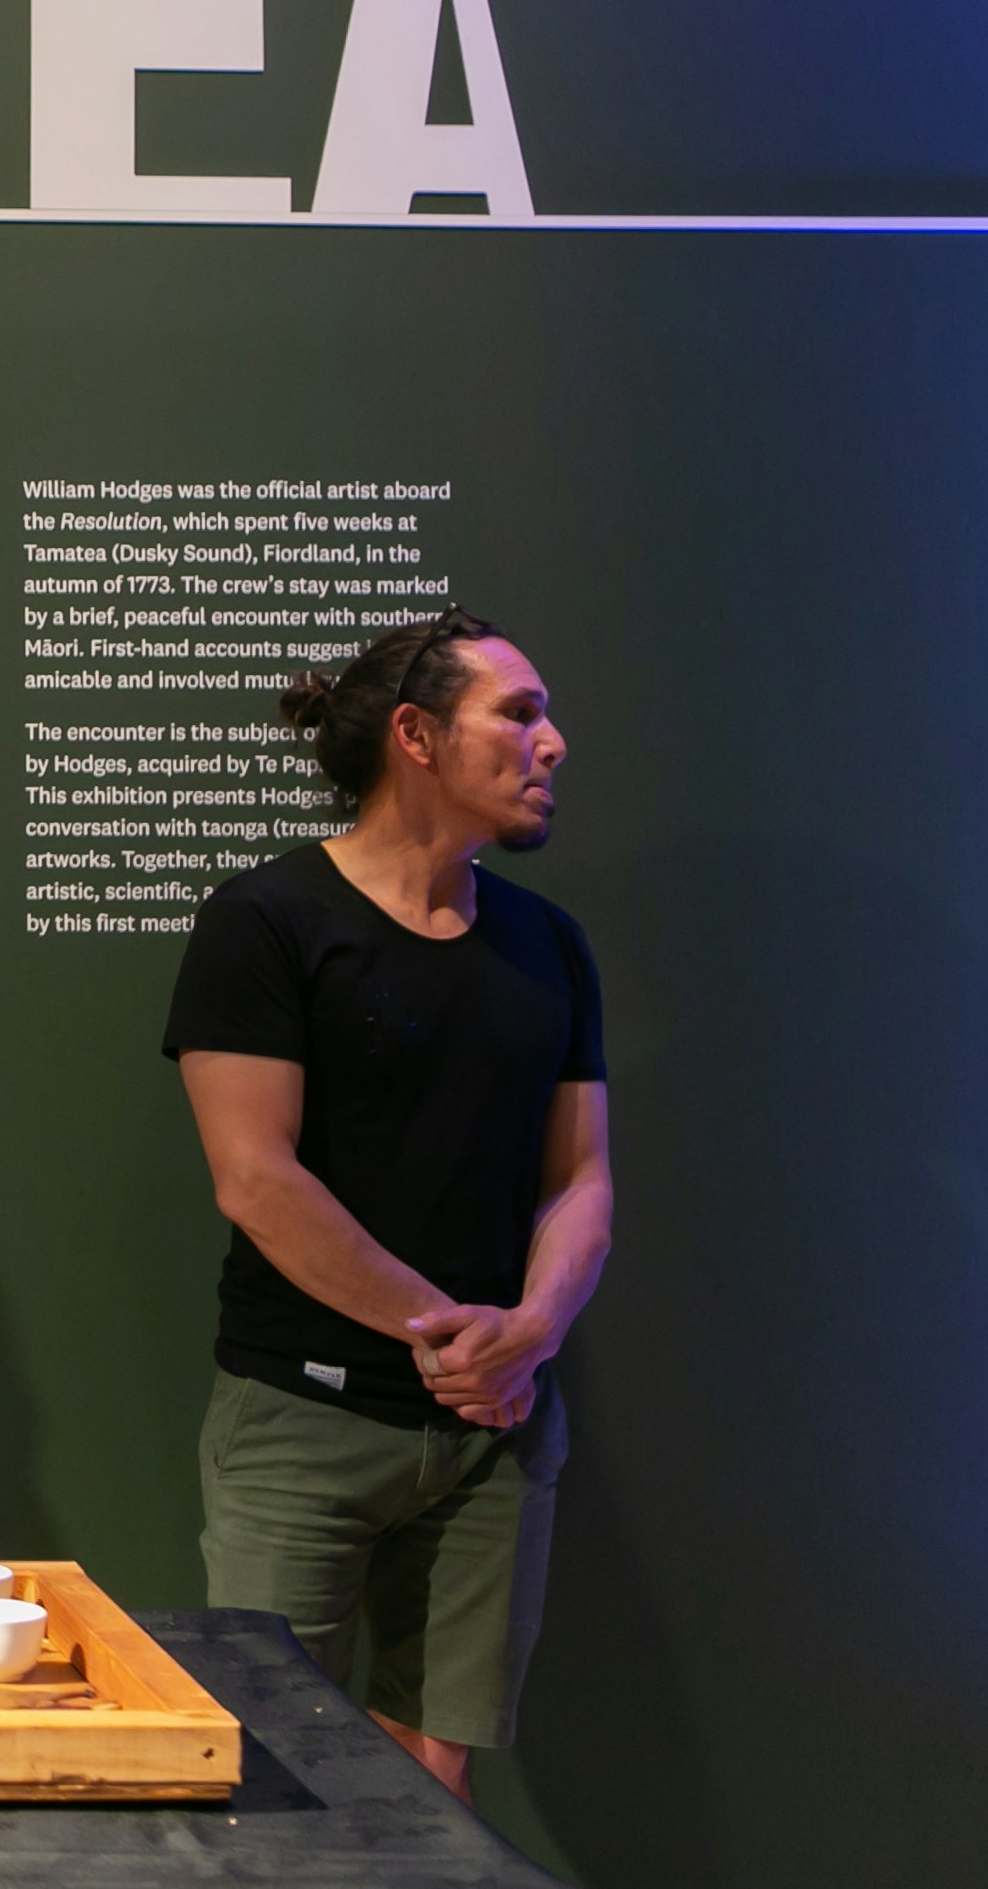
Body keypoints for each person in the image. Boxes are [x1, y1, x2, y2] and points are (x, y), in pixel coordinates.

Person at [164, 608, 614, 1801]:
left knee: (431, 1783)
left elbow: (580, 1179)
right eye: (518, 713)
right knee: (272, 1777)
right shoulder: (263, 919)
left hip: (496, 1429)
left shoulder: (547, 943)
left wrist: (531, 1335)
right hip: (302, 1422)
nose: (552, 742)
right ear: (415, 735)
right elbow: (254, 1176)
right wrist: (462, 1338)